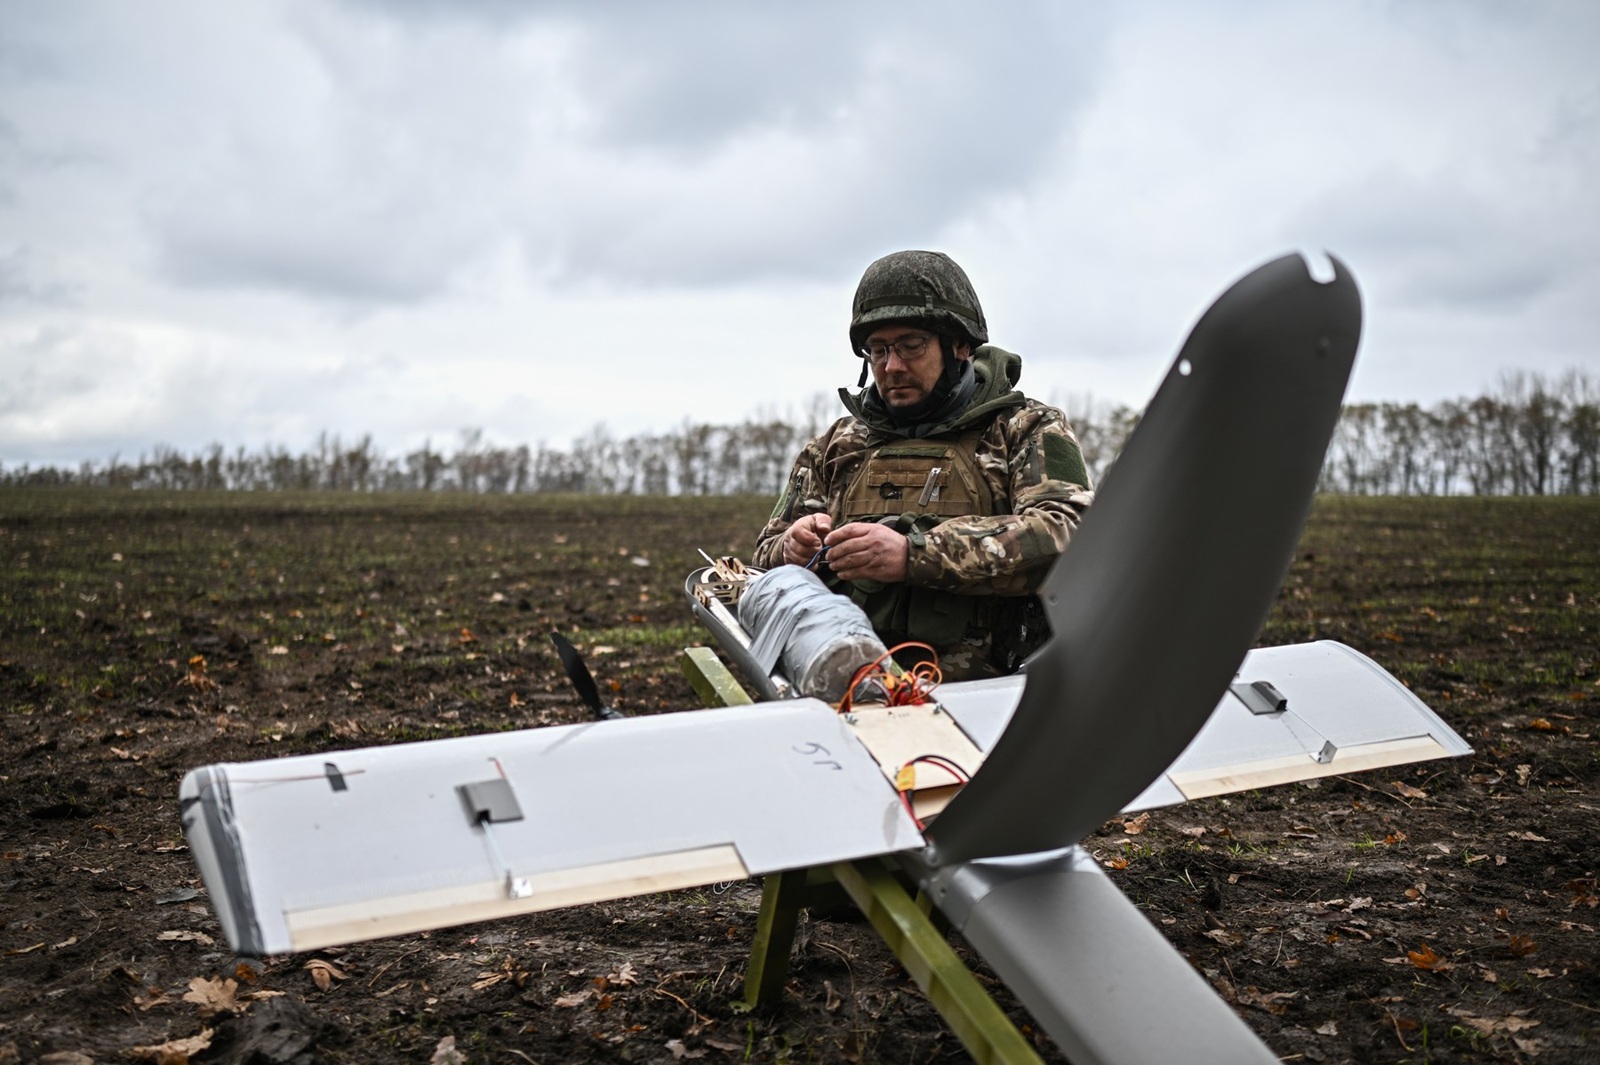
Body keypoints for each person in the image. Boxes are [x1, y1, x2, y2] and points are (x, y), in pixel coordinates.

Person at [752, 250, 1095, 680]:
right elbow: (760, 564)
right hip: (847, 685)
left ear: (960, 346)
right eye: (878, 350)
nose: (892, 366)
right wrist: (791, 548)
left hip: (991, 695)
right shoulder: (837, 446)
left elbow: (1070, 535)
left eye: (911, 346)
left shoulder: (1023, 430)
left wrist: (914, 554)